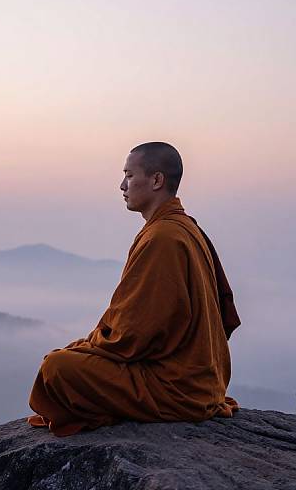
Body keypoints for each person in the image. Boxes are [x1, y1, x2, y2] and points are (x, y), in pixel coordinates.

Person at [27, 141, 240, 436]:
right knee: (71, 356)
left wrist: (90, 347)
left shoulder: (163, 237)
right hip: (201, 381)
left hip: (177, 389)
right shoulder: (182, 228)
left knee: (56, 366)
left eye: (129, 175)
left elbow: (134, 334)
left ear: (156, 180)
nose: (121, 185)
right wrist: (89, 346)